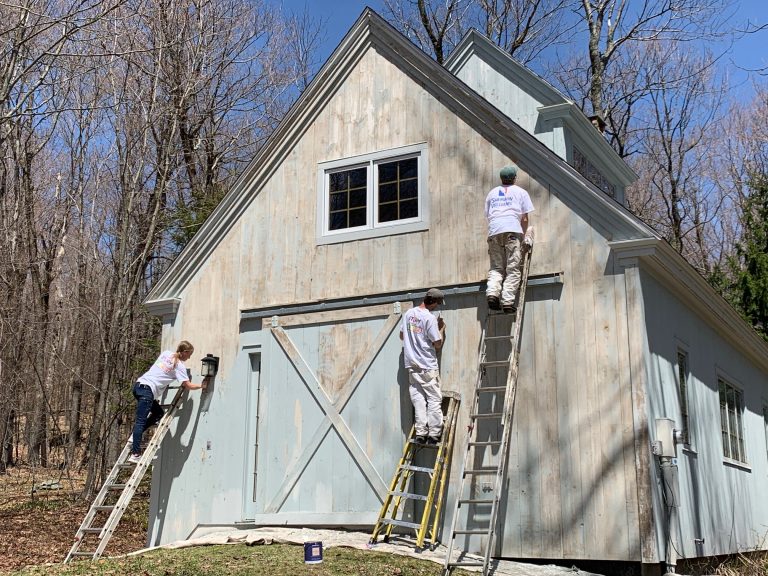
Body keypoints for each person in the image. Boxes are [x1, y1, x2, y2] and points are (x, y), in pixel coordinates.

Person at [129, 341, 208, 463]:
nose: (190, 357)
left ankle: (135, 438)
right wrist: (201, 386)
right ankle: (135, 453)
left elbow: (161, 371)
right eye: (189, 354)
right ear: (185, 352)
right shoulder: (179, 366)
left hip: (139, 386)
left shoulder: (166, 354)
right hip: (148, 391)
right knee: (140, 422)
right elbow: (187, 385)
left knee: (158, 413)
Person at [484, 164, 534, 313]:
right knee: (513, 268)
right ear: (514, 178)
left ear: (501, 178)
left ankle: (492, 294)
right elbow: (524, 219)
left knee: (496, 268)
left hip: (494, 232)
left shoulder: (492, 193)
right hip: (512, 231)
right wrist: (523, 236)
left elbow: (488, 216)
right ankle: (507, 302)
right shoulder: (521, 192)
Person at [400, 288, 446, 444]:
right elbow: (437, 344)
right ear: (432, 302)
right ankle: (434, 434)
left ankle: (420, 433)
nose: (437, 307)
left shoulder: (408, 314)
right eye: (437, 304)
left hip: (412, 366)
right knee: (434, 398)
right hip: (427, 366)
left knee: (418, 399)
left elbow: (402, 335)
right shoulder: (430, 318)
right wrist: (441, 329)